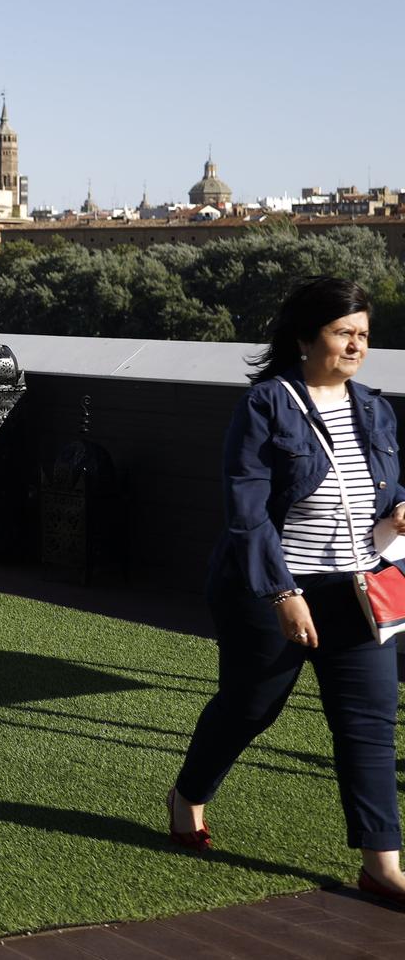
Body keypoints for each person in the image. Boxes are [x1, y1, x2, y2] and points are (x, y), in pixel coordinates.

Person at [171, 278, 405, 898]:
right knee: (252, 706)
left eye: (363, 335)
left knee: (368, 725)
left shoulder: (375, 407)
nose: (355, 345)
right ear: (306, 338)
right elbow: (245, 513)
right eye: (342, 333)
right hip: (269, 587)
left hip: (358, 588)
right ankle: (188, 793)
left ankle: (382, 865)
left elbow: (386, 487)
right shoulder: (267, 406)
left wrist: (400, 509)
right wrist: (283, 593)